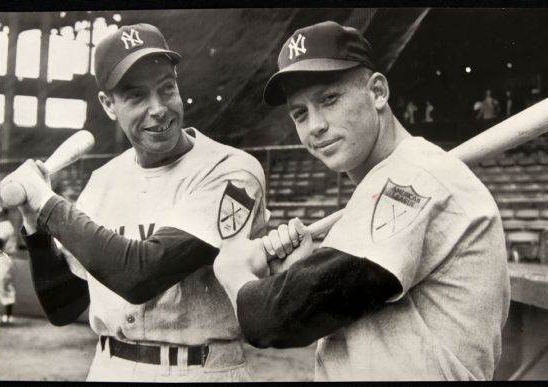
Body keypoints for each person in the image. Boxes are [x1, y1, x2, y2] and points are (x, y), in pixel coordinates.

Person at [213, 21, 511, 381]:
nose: (315, 126)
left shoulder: (417, 176)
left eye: (329, 99)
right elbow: (328, 305)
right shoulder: (389, 180)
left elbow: (272, 320)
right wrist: (297, 272)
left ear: (378, 92)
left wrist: (233, 270)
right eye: (300, 113)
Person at [6, 23, 267, 382]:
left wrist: (48, 202)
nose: (158, 108)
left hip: (201, 370)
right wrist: (35, 222)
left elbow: (142, 275)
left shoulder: (232, 171)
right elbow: (64, 307)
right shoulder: (101, 182)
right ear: (108, 105)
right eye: (136, 97)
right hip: (109, 367)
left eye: (166, 89)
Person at [0, 206, 17, 326]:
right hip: (6, 257)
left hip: (2, 257)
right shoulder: (4, 224)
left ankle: (6, 317)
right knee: (7, 287)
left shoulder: (4, 224)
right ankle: (7, 317)